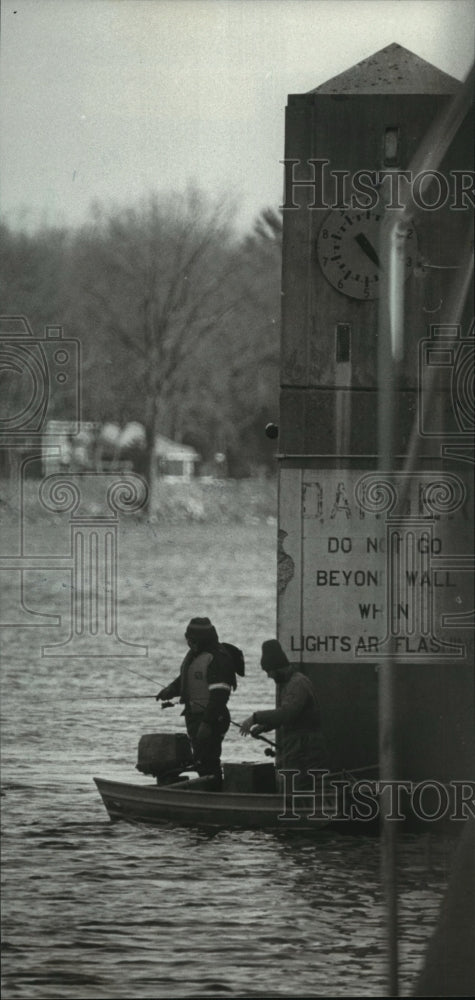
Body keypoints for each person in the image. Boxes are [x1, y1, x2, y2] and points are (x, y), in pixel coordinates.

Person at [156, 617, 237, 784]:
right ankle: (209, 789)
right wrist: (171, 690)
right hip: (195, 717)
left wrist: (207, 723)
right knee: (201, 760)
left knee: (207, 760)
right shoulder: (196, 655)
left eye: (192, 640)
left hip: (212, 718)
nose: (189, 644)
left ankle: (213, 793)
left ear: (203, 639)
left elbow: (219, 696)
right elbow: (187, 679)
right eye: (188, 640)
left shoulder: (217, 658)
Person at [240, 639, 327, 786]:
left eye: (269, 671)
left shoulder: (297, 684)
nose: (269, 676)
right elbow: (289, 716)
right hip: (299, 747)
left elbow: (287, 713)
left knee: (298, 788)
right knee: (295, 787)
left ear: (277, 667)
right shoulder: (290, 683)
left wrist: (254, 718)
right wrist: (265, 727)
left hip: (304, 749)